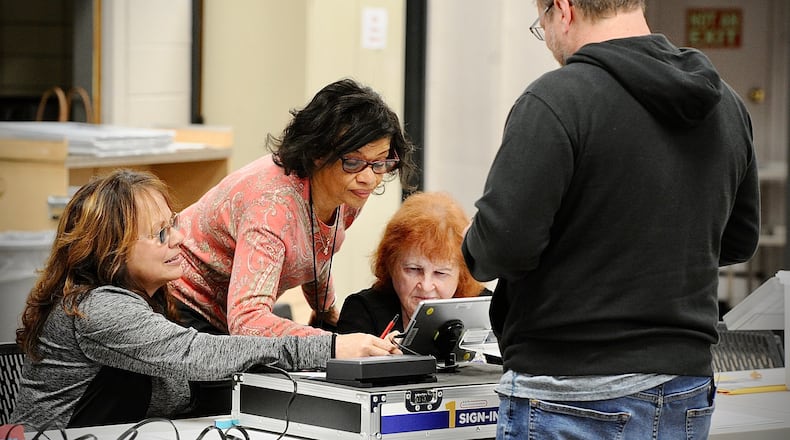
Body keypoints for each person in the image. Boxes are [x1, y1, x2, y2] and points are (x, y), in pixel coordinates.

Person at [461, 1, 760, 439]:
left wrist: (473, 242)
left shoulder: (556, 99)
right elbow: (738, 240)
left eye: (539, 23)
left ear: (562, 10)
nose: (545, 39)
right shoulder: (726, 105)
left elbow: (502, 247)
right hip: (686, 390)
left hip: (570, 392)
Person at [11, 169, 399, 430]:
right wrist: (330, 348)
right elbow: (197, 355)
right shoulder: (99, 309)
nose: (178, 239)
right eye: (160, 234)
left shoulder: (150, 302)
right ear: (112, 251)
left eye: (173, 224)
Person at [170, 78, 417, 338]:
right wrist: (336, 344)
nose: (370, 178)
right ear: (317, 152)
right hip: (184, 302)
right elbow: (248, 321)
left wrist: (326, 311)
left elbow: (316, 247)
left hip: (229, 314)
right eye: (354, 161)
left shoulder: (349, 190)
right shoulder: (272, 207)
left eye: (380, 163)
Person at [337, 191, 489, 337]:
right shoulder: (362, 311)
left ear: (462, 273)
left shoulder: (487, 309)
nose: (426, 286)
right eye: (414, 269)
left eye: (440, 273)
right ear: (390, 264)